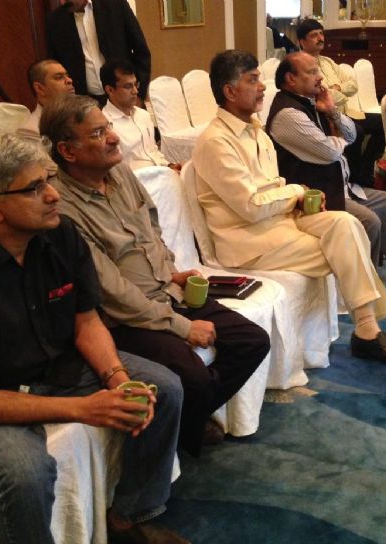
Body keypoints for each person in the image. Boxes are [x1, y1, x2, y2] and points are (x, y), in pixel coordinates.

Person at [0, 133, 192, 544]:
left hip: (54, 365)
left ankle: (130, 515)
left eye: (49, 179)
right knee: (25, 473)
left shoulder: (61, 235)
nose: (54, 195)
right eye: (34, 187)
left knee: (164, 388)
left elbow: (85, 321)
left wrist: (117, 379)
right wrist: (84, 409)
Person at [39, 94, 271, 455]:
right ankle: (188, 429)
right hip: (126, 319)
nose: (114, 138)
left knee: (252, 340)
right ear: (68, 151)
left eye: (108, 127)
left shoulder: (118, 171)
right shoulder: (63, 209)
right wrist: (182, 327)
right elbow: (111, 291)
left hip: (168, 291)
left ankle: (189, 418)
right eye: (98, 133)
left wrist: (170, 271)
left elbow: (151, 224)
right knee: (192, 377)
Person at [193, 49, 386, 366]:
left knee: (347, 224)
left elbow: (273, 186)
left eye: (259, 78)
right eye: (252, 80)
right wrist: (297, 191)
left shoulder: (256, 130)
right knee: (345, 248)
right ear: (230, 92)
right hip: (246, 239)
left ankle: (367, 329)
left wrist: (297, 198)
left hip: (280, 220)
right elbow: (250, 206)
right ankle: (368, 330)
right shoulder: (216, 141)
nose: (261, 86)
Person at [266, 52, 386, 287]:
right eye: (312, 72)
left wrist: (332, 111)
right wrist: (337, 141)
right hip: (315, 195)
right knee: (370, 221)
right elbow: (330, 152)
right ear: (291, 79)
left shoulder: (312, 103)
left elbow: (352, 135)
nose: (320, 77)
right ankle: (361, 287)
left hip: (338, 185)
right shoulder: (287, 113)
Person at [296, 18, 385, 186]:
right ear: (302, 41)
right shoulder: (299, 66)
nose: (320, 38)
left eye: (321, 33)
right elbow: (319, 96)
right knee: (357, 132)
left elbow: (353, 85)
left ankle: (365, 169)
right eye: (314, 35)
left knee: (383, 123)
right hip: (326, 117)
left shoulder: (327, 61)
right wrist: (338, 93)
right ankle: (354, 178)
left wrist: (336, 89)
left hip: (346, 113)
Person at [46, 0, 151, 103]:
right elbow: (56, 62)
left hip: (122, 96)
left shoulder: (116, 5)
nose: (62, 2)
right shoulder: (55, 20)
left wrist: (139, 94)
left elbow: (141, 52)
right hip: (83, 102)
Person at [99, 59, 180, 171]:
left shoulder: (143, 115)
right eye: (128, 86)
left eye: (136, 84)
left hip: (159, 172)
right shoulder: (105, 125)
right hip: (136, 178)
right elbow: (116, 171)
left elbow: (153, 152)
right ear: (110, 90)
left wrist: (169, 166)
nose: (135, 91)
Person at [17, 59, 75, 139]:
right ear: (40, 88)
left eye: (67, 76)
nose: (69, 80)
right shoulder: (31, 131)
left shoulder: (79, 115)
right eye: (59, 77)